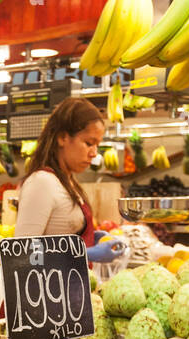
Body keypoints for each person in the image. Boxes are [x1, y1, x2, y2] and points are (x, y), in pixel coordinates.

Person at [14, 97, 123, 262]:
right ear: (62, 137)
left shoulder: (67, 181)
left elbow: (60, 237)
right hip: (52, 287)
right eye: (88, 143)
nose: (94, 153)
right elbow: (22, 253)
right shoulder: (41, 182)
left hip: (72, 284)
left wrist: (91, 238)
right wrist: (86, 254)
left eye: (97, 145)